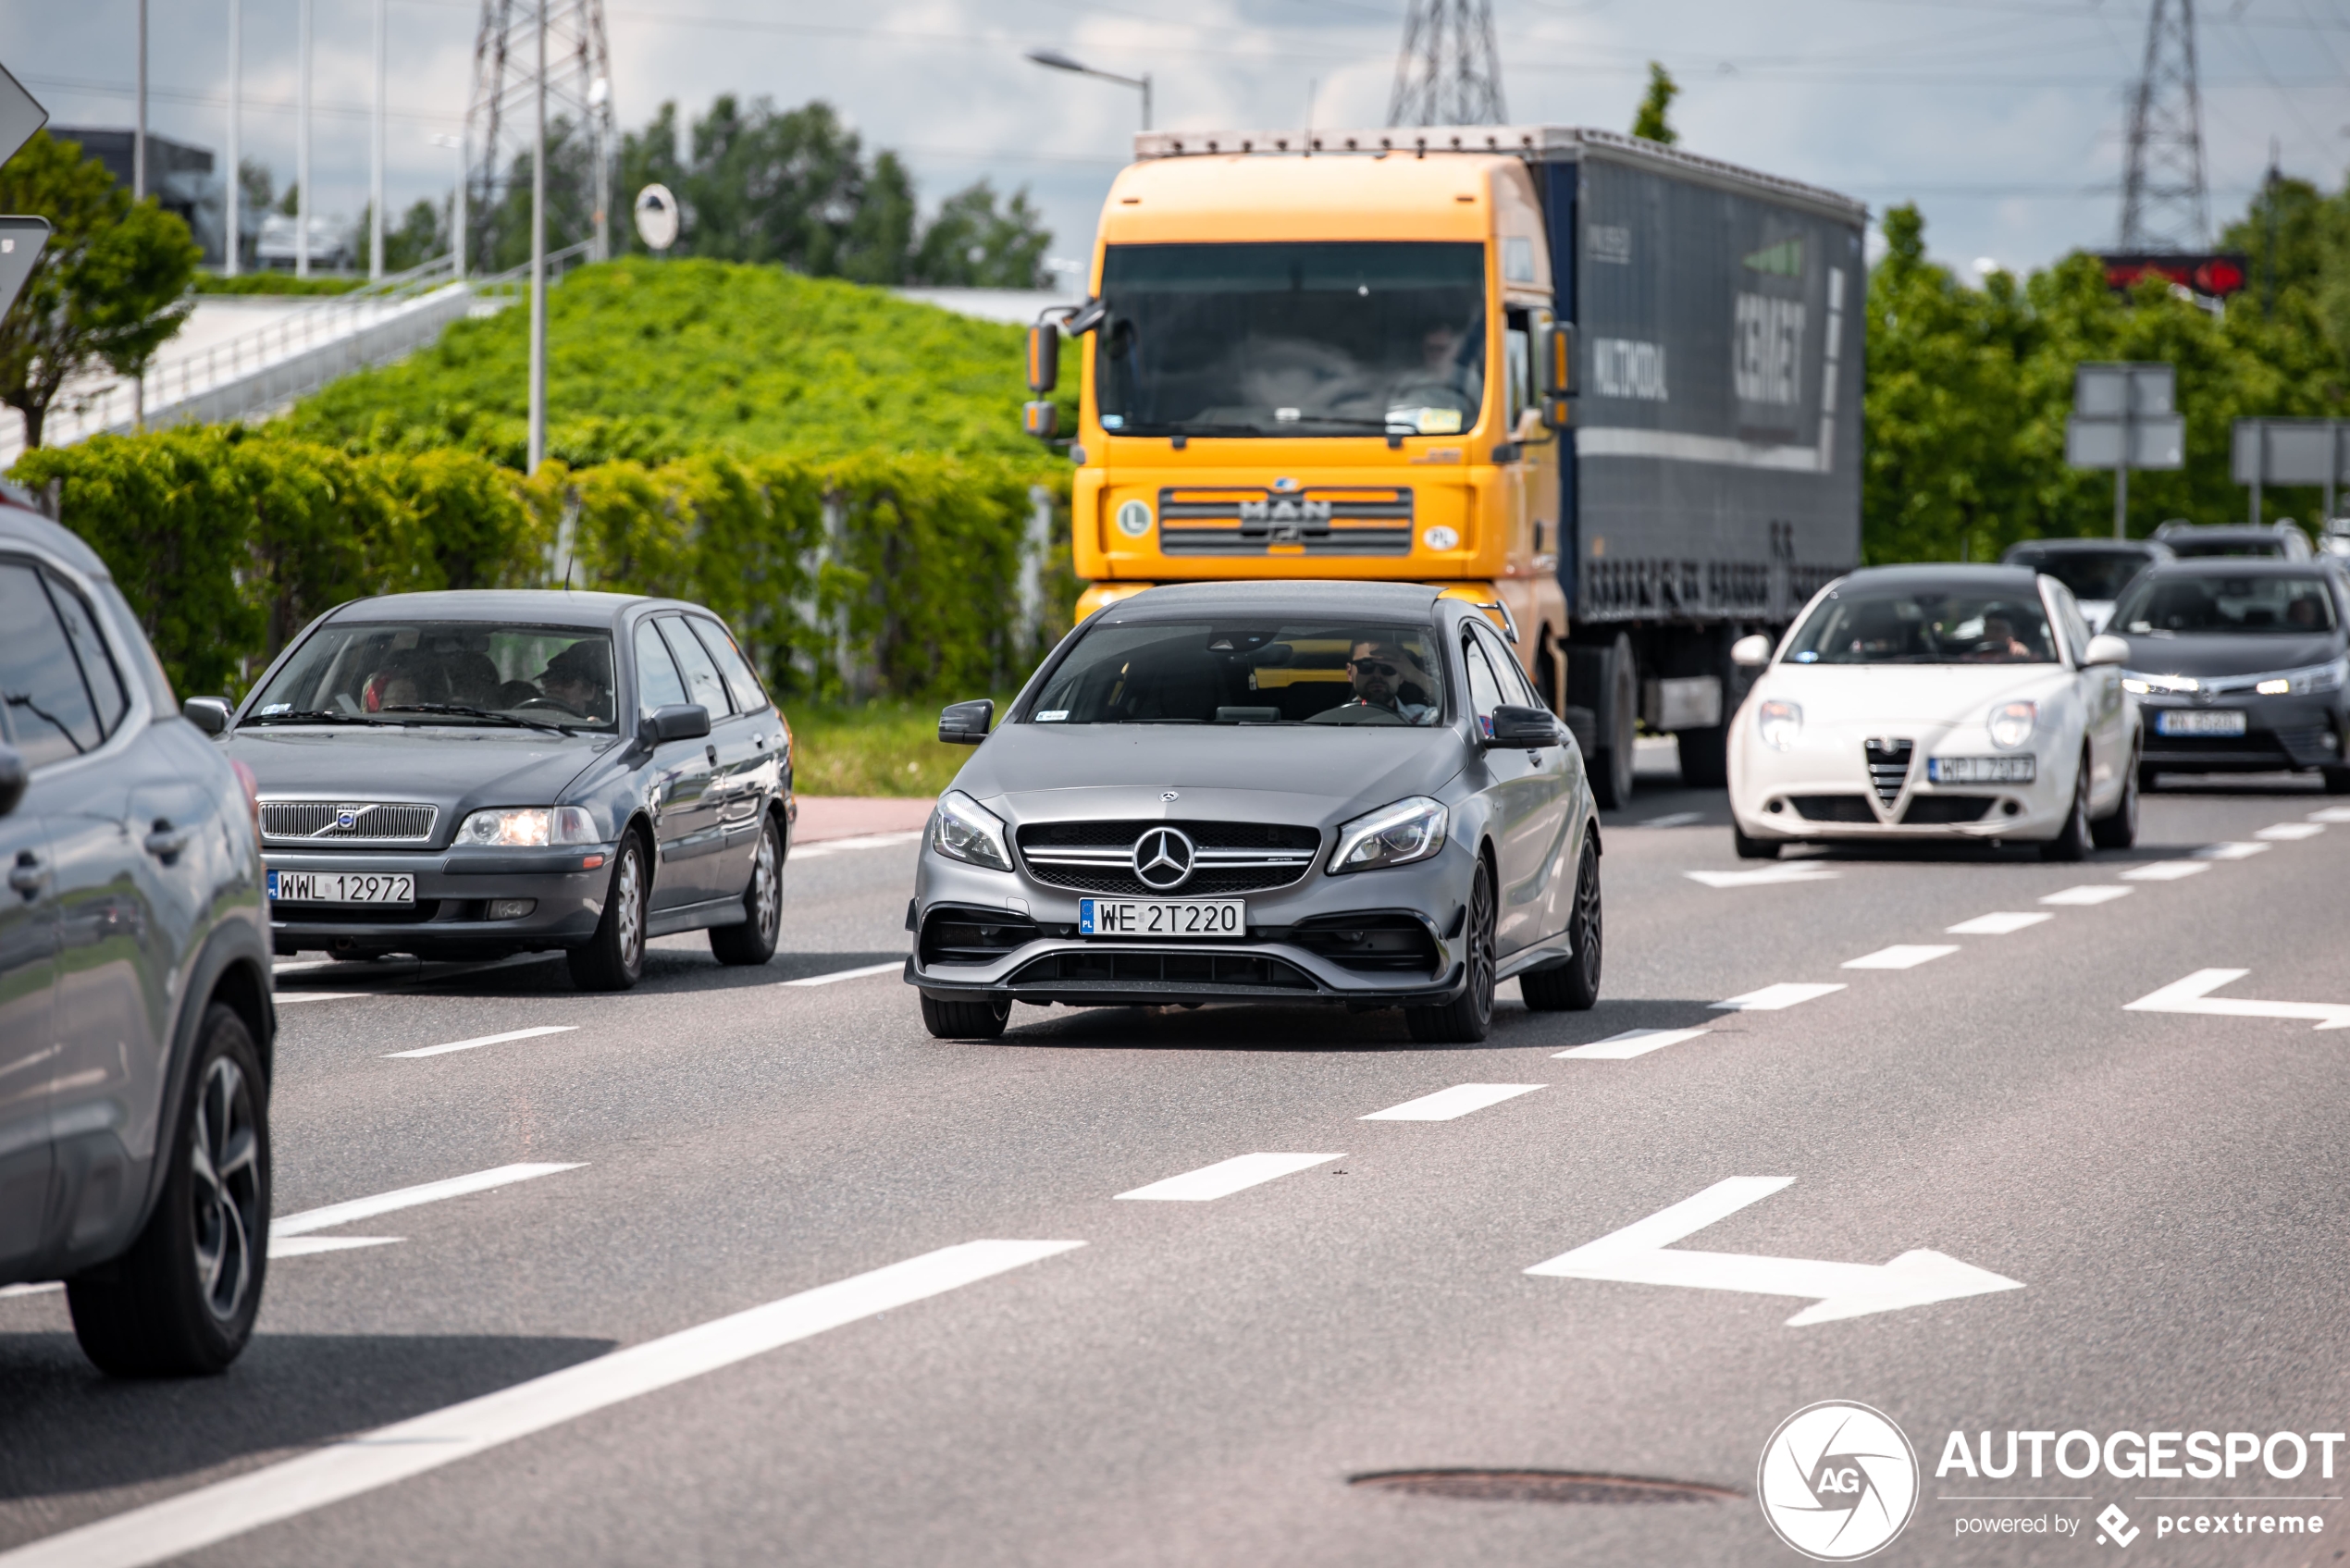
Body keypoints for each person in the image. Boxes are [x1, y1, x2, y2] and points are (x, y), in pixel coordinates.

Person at [1307, 638, 1436, 724]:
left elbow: (1455, 705)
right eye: (1366, 665)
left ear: (1402, 675)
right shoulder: (1329, 722)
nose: (1377, 675)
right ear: (1349, 672)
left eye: (1388, 667)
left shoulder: (1424, 719)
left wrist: (1416, 675)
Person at [539, 640, 612, 722]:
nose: (555, 688)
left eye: (566, 682)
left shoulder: (608, 725)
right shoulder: (528, 721)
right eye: (548, 681)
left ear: (588, 691)